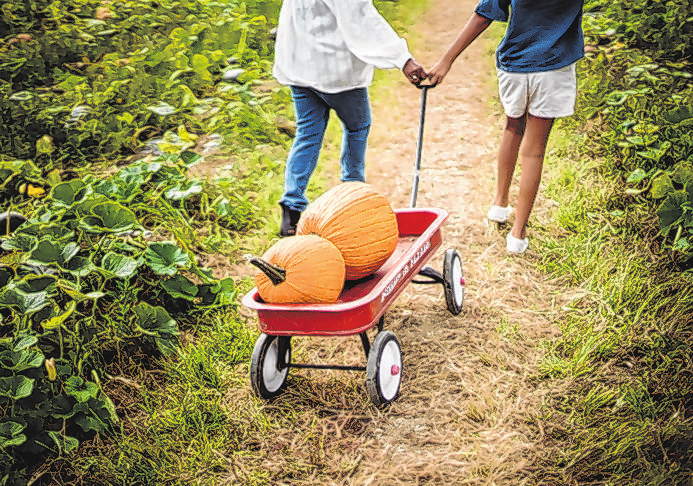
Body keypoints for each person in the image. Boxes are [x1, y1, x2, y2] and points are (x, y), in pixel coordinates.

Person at [425, 0, 584, 254]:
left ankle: (499, 205)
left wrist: (446, 61)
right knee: (535, 151)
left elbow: (483, 15)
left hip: (514, 64)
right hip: (554, 67)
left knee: (512, 128)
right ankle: (518, 235)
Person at [273, 0, 427, 237]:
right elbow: (361, 18)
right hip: (334, 70)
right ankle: (353, 195)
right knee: (357, 127)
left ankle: (292, 206)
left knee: (308, 133)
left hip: (300, 66)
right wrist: (403, 59)